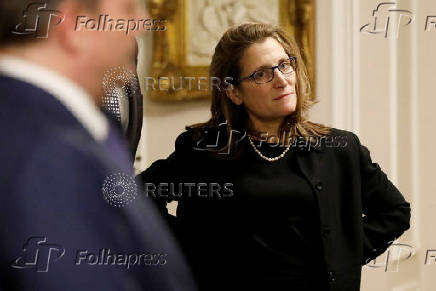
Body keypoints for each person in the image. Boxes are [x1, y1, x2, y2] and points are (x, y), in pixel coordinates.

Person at [138, 23, 411, 291]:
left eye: (284, 64)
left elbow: (395, 211)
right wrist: (190, 251)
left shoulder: (337, 147)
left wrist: (341, 255)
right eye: (261, 74)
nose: (281, 80)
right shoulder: (204, 149)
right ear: (234, 92)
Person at [0, 0, 196, 290]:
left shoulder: (58, 122)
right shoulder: (48, 154)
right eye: (129, 11)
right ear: (77, 25)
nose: (143, 24)